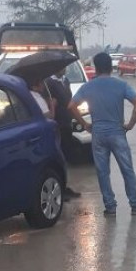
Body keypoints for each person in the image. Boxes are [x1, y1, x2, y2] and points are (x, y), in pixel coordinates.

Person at [69, 52, 136, 216]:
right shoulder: (121, 85)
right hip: (117, 132)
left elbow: (71, 106)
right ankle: (135, 205)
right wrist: (130, 124)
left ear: (96, 68)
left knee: (103, 171)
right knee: (127, 169)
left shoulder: (88, 87)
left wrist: (85, 124)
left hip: (98, 133)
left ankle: (110, 207)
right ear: (111, 66)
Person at [45, 69, 81, 199]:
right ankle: (59, 189)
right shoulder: (49, 82)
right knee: (58, 158)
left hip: (67, 123)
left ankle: (64, 186)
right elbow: (49, 102)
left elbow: (69, 100)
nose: (65, 69)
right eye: (62, 67)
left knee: (66, 156)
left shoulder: (65, 81)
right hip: (56, 124)